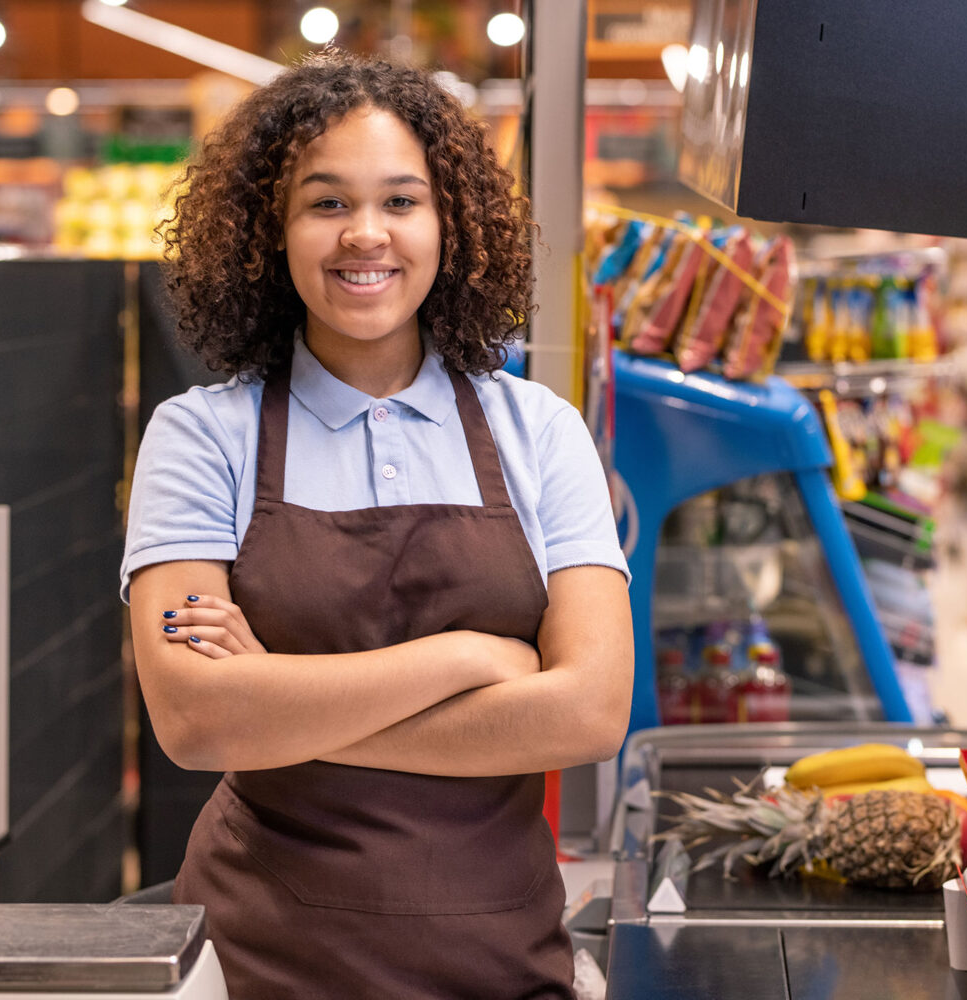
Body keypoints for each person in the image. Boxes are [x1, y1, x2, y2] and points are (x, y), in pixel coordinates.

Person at [120, 50, 633, 999]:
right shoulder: (201, 438)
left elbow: (591, 712)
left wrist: (274, 703)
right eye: (325, 203)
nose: (366, 235)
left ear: (451, 225)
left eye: (401, 202)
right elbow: (194, 719)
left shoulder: (539, 433)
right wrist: (472, 658)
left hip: (496, 958)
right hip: (258, 963)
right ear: (268, 232)